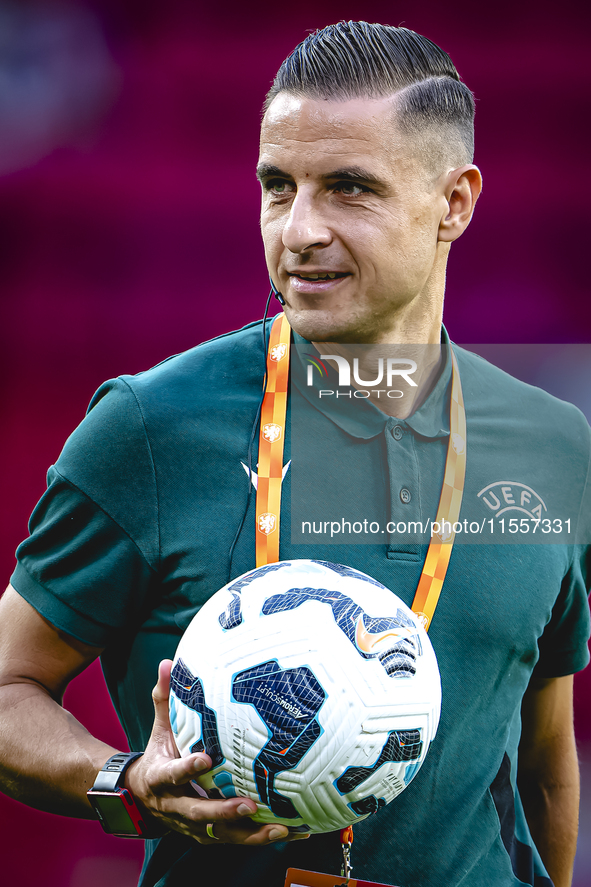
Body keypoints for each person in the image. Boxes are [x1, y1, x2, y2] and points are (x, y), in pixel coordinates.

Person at [0, 20, 589, 887]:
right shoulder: (150, 427)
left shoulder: (550, 444)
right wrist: (122, 782)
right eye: (279, 186)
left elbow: (542, 753)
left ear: (453, 203)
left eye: (349, 188)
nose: (299, 228)